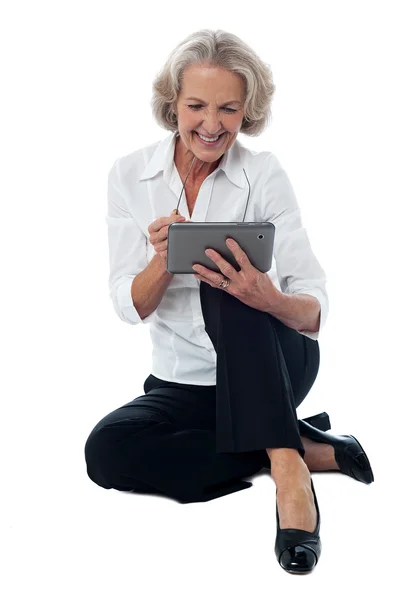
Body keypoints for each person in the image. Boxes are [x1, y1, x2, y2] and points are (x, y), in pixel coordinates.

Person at [84, 29, 374, 574]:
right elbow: (129, 306)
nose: (211, 125)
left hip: (276, 366)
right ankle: (294, 442)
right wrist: (162, 262)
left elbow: (313, 309)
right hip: (181, 385)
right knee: (106, 452)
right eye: (196, 105)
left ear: (248, 112)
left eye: (229, 109)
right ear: (173, 104)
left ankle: (290, 474)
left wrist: (267, 297)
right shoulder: (128, 175)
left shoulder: (263, 173)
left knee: (230, 286)